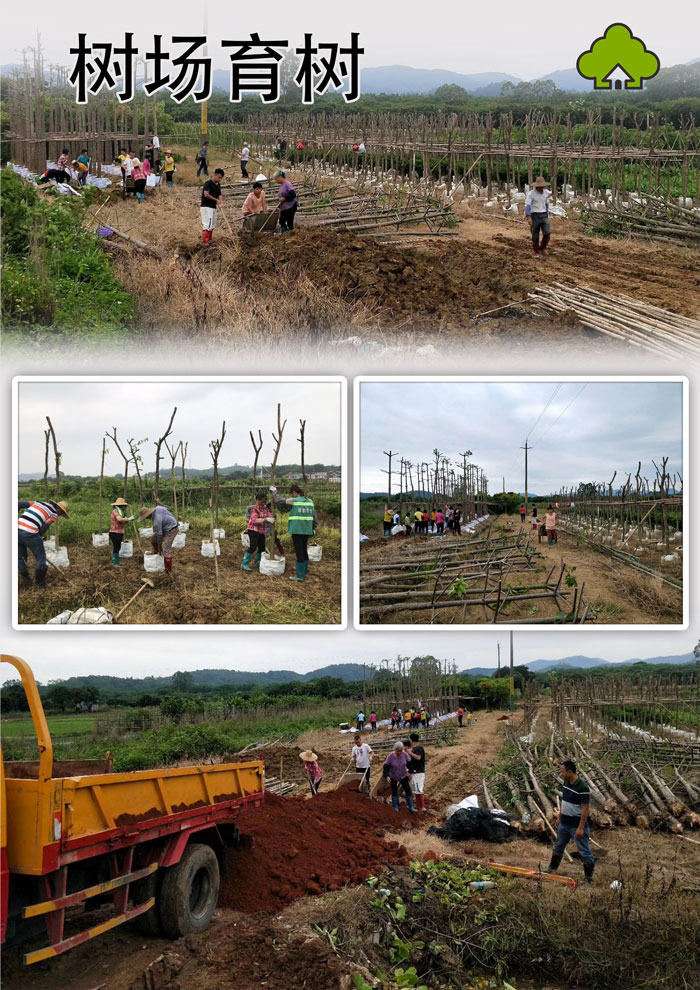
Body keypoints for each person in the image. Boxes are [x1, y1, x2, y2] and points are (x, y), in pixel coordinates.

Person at [545, 760, 595, 884]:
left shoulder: (583, 787)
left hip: (576, 825)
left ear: (570, 771)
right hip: (564, 824)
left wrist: (581, 828)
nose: (561, 773)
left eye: (563, 771)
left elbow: (585, 809)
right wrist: (559, 817)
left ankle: (588, 879)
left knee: (584, 850)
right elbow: (564, 801)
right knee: (558, 846)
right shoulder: (566, 782)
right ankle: (551, 868)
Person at [17, 498, 69, 588]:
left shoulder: (38, 503)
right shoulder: (53, 514)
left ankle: (25, 577)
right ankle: (40, 584)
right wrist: (37, 537)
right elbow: (44, 527)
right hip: (30, 533)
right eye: (61, 513)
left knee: (19, 555)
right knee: (40, 557)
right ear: (59, 510)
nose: (60, 515)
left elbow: (18, 504)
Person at [270, 483, 317, 581]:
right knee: (304, 550)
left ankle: (299, 576)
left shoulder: (294, 501)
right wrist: (313, 528)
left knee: (299, 552)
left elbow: (279, 500)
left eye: (292, 494)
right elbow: (315, 517)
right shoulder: (310, 501)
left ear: (295, 493)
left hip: (297, 530)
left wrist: (274, 491)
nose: (292, 496)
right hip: (307, 530)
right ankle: (303, 572)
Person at [139, 502, 179, 574]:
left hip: (172, 529)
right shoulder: (158, 507)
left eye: (146, 517)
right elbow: (168, 508)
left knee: (166, 549)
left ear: (149, 515)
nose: (147, 518)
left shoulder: (156, 521)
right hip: (166, 527)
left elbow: (160, 534)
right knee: (154, 537)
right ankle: (157, 553)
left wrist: (160, 546)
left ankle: (167, 572)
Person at [242, 491, 274, 571]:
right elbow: (254, 520)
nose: (263, 503)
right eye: (262, 501)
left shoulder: (266, 508)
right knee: (253, 547)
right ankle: (244, 563)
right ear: (258, 500)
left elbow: (269, 515)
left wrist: (271, 518)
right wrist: (265, 519)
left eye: (265, 502)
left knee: (262, 547)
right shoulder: (254, 508)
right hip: (253, 530)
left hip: (262, 530)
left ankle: (257, 562)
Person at [382, 741, 416, 813]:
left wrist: (410, 773)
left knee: (407, 789)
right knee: (394, 790)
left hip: (403, 775)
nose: (400, 753)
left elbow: (410, 765)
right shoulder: (390, 756)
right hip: (393, 776)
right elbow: (386, 767)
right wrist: (387, 776)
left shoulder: (405, 755)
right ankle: (396, 806)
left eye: (401, 751)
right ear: (395, 750)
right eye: (398, 751)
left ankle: (411, 807)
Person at [525, 176, 552, 258]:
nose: (541, 187)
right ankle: (536, 251)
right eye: (539, 186)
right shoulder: (531, 194)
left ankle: (542, 248)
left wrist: (547, 214)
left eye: (542, 186)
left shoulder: (546, 193)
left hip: (543, 215)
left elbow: (546, 204)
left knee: (547, 233)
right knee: (535, 235)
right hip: (535, 215)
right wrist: (529, 217)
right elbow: (528, 205)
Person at [200, 168, 224, 245]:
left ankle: (210, 240)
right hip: (206, 207)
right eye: (219, 177)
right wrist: (216, 200)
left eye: (221, 178)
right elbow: (206, 194)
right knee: (207, 224)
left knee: (212, 224)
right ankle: (205, 241)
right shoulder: (208, 183)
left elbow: (219, 195)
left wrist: (220, 202)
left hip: (213, 207)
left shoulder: (218, 185)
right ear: (215, 175)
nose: (220, 179)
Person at [109, 497, 134, 567]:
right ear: (121, 506)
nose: (125, 508)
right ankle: (114, 562)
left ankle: (117, 561)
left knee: (118, 547)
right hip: (115, 532)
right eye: (124, 506)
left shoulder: (120, 512)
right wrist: (128, 518)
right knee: (116, 547)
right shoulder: (115, 511)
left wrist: (128, 519)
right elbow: (119, 519)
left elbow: (122, 520)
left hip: (118, 532)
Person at [407, 732, 427, 812]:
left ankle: (422, 806)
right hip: (414, 772)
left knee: (419, 789)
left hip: (419, 771)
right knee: (415, 789)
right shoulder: (414, 749)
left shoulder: (419, 748)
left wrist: (410, 753)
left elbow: (418, 757)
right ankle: (418, 806)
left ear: (411, 740)